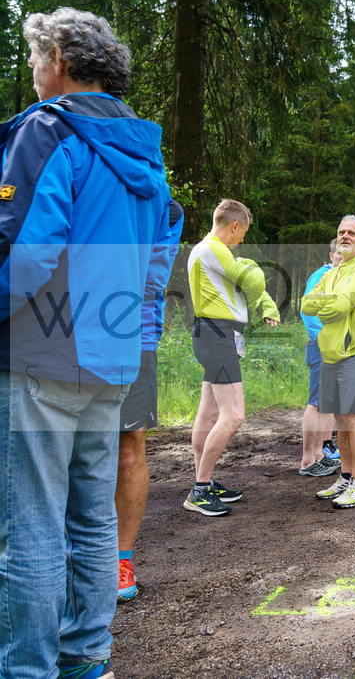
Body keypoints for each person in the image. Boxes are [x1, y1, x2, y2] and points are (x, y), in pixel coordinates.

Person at [0, 8, 171, 677]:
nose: (35, 73)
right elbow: (156, 268)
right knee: (92, 519)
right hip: (112, 357)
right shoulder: (145, 153)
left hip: (39, 357)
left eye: (38, 60)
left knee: (31, 528)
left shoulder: (47, 132)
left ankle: (27, 669)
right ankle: (86, 658)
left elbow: (28, 252)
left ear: (62, 61)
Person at [186, 199, 280, 516]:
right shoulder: (213, 248)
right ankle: (199, 490)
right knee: (234, 414)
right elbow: (254, 281)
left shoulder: (211, 251)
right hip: (217, 334)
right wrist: (253, 267)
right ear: (235, 225)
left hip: (215, 335)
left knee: (210, 413)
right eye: (243, 233)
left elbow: (249, 287)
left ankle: (205, 481)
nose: (243, 240)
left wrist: (262, 301)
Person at [116, 200, 184, 604]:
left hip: (134, 340)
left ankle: (121, 559)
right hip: (63, 338)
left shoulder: (165, 208)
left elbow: (149, 279)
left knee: (128, 451)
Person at [305, 215, 355, 508]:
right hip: (331, 353)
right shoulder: (333, 271)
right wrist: (332, 305)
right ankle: (345, 477)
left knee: (352, 417)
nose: (345, 236)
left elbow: (333, 306)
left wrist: (331, 305)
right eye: (341, 232)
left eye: (352, 233)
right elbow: (307, 304)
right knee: (339, 418)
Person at [296, 240, 344, 477]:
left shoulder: (339, 278)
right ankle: (307, 460)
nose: (341, 259)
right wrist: (325, 341)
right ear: (331, 254)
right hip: (320, 347)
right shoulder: (321, 276)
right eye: (338, 254)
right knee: (315, 402)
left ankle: (319, 455)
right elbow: (309, 314)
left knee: (327, 404)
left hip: (334, 348)